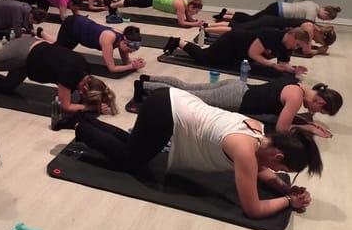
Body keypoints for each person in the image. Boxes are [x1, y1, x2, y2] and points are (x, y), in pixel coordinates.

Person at [76, 87, 322, 219]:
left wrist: (285, 189)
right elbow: (253, 209)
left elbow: (261, 170)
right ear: (278, 156)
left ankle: (88, 122)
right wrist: (289, 202)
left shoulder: (261, 134)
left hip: (171, 100)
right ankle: (82, 127)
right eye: (282, 169)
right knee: (131, 162)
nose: (276, 172)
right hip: (165, 112)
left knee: (134, 147)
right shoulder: (245, 150)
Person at [0, 36, 118, 115]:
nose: (80, 96)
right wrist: (91, 108)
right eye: (83, 93)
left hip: (30, 61)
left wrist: (101, 102)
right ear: (86, 85)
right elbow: (65, 107)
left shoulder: (86, 72)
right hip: (23, 51)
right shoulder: (70, 73)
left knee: (8, 87)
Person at [134, 75, 342, 137]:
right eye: (321, 110)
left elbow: (282, 115)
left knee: (189, 86)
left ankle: (146, 80)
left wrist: (307, 122)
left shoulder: (300, 86)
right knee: (185, 95)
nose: (316, 113)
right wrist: (308, 128)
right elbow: (281, 128)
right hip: (235, 98)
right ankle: (145, 88)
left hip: (238, 86)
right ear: (321, 101)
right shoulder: (296, 97)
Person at [163, 27, 310, 75]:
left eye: (298, 47)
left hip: (238, 53)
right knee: (205, 59)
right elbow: (254, 53)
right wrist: (271, 65)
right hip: (231, 42)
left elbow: (283, 65)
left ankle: (179, 43)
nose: (295, 48)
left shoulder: (286, 47)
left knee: (219, 62)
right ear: (292, 35)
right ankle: (178, 42)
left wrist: (294, 70)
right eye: (297, 44)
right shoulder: (272, 35)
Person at [41, 15, 145, 74]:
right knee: (57, 54)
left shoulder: (122, 40)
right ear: (124, 41)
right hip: (72, 26)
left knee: (60, 48)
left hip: (80, 31)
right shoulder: (109, 38)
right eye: (129, 48)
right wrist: (132, 66)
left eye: (132, 51)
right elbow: (112, 69)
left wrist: (135, 63)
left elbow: (126, 62)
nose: (130, 51)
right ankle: (39, 37)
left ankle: (41, 33)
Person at [205, 16, 336, 57]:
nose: (317, 43)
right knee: (236, 30)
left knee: (238, 27)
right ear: (322, 36)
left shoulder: (311, 27)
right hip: (269, 24)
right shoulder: (310, 29)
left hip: (271, 24)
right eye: (321, 42)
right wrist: (319, 51)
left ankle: (207, 26)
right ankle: (206, 28)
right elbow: (306, 51)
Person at [108, 0, 204, 27]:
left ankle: (114, 5)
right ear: (191, 6)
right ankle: (112, 5)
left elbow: (189, 18)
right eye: (196, 11)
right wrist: (196, 24)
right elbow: (181, 22)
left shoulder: (186, 4)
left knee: (134, 2)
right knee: (133, 2)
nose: (196, 13)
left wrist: (196, 21)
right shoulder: (181, 6)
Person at [213, 1, 341, 23]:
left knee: (252, 18)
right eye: (325, 18)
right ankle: (225, 15)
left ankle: (226, 13)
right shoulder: (312, 11)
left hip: (278, 7)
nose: (323, 20)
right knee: (252, 20)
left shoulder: (314, 4)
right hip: (277, 10)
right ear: (325, 12)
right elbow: (309, 26)